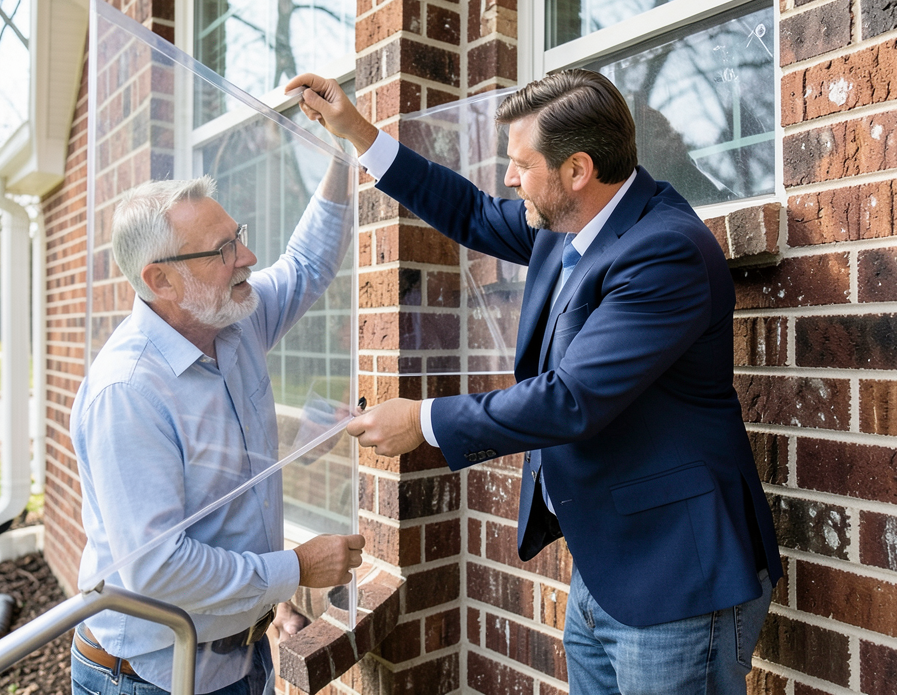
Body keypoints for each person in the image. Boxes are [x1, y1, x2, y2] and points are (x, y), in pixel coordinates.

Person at [284, 70, 781, 695]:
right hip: (608, 565)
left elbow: (571, 400)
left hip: (679, 578)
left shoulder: (665, 251)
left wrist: (424, 421)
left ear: (577, 169)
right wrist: (358, 132)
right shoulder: (568, 221)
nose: (510, 179)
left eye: (521, 164)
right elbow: (469, 211)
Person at [70, 163, 364, 695]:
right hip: (155, 677)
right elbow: (157, 569)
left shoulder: (233, 320)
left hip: (242, 658)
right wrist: (294, 567)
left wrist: (343, 156)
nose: (246, 258)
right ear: (161, 280)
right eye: (223, 249)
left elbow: (305, 264)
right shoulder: (129, 393)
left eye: (239, 238)